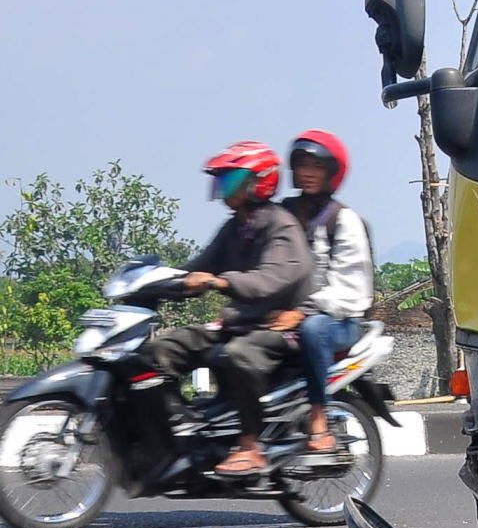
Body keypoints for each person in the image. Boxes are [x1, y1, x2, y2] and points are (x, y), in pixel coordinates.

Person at [134, 142, 310, 477]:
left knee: (238, 356)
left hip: (278, 329)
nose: (222, 187)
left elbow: (272, 279)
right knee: (163, 348)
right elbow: (199, 267)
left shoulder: (281, 225)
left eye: (230, 179)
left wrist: (220, 282)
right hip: (239, 324)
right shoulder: (235, 227)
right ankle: (179, 430)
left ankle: (249, 447)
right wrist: (156, 283)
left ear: (258, 182)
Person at [280, 130, 374, 453]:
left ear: (331, 173)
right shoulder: (285, 214)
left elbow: (351, 289)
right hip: (289, 315)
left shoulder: (344, 220)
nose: (307, 172)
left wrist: (303, 311)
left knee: (314, 328)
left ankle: (318, 417)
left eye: (316, 166)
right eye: (302, 164)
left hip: (339, 320)